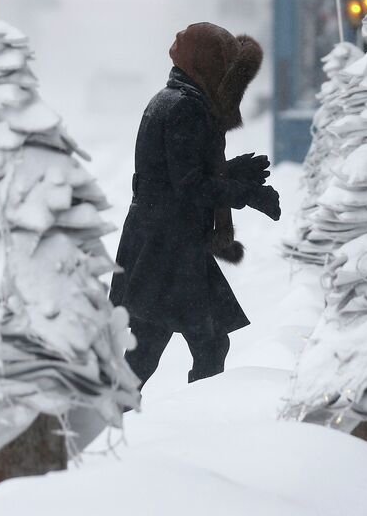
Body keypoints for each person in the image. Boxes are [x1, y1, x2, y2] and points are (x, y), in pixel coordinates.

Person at [109, 22, 281, 387]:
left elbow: (178, 176)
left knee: (165, 347)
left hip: (164, 240)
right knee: (200, 342)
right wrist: (246, 194)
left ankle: (118, 417)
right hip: (168, 246)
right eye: (225, 69)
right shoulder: (185, 108)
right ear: (207, 65)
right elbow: (190, 187)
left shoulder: (174, 99)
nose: (229, 79)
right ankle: (197, 420)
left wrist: (235, 172)